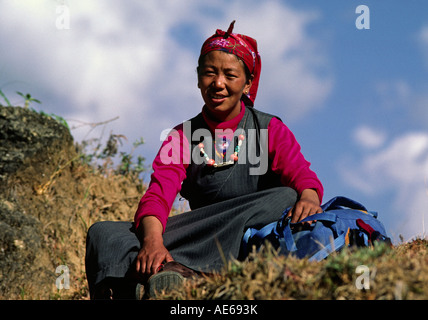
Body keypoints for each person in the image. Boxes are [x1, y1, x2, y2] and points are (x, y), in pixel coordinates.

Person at [85, 21, 324, 299]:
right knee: (104, 233)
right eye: (210, 73)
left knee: (283, 197)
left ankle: (174, 275)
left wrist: (309, 198)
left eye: (230, 75)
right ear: (198, 79)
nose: (218, 84)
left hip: (245, 232)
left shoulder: (269, 129)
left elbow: (302, 177)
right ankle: (162, 274)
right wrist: (152, 242)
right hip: (199, 231)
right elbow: (158, 196)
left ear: (247, 83)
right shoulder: (182, 137)